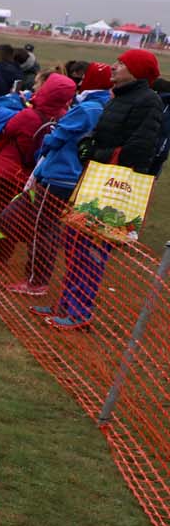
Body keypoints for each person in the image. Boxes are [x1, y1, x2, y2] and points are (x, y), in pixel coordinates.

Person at [44, 49, 164, 329]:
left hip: (112, 189)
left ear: (136, 72)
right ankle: (65, 302)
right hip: (93, 178)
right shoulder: (118, 97)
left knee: (91, 250)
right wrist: (90, 148)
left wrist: (97, 152)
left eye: (121, 64)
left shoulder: (148, 102)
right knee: (74, 243)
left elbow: (140, 150)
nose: (114, 66)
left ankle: (80, 311)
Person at [4, 65, 110, 294]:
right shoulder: (102, 105)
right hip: (64, 174)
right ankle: (35, 276)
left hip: (59, 174)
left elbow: (59, 136)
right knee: (39, 224)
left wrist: (47, 143)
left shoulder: (89, 108)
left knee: (43, 228)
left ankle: (36, 280)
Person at [0, 72, 74, 265]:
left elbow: (7, 129)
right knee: (11, 221)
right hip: (29, 178)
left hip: (4, 171)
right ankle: (2, 257)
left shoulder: (28, 115)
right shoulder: (63, 119)